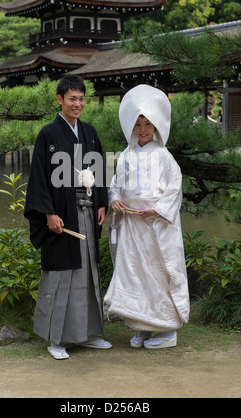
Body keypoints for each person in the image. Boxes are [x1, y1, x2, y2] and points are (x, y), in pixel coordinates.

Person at [24, 75, 112, 359]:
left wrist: (101, 203)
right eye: (72, 98)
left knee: (87, 272)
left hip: (86, 211)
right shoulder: (48, 134)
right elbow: (38, 177)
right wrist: (48, 212)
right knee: (61, 275)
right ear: (59, 100)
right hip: (61, 216)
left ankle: (85, 334)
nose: (78, 104)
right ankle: (56, 339)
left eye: (81, 98)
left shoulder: (90, 132)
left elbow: (98, 171)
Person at [104, 84, 190, 349]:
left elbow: (174, 188)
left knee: (158, 274)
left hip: (155, 225)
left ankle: (166, 330)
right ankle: (141, 325)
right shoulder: (126, 155)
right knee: (134, 275)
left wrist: (158, 209)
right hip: (131, 223)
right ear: (132, 126)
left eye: (148, 123)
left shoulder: (165, 157)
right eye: (138, 123)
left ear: (156, 126)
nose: (143, 129)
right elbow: (115, 184)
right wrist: (114, 199)